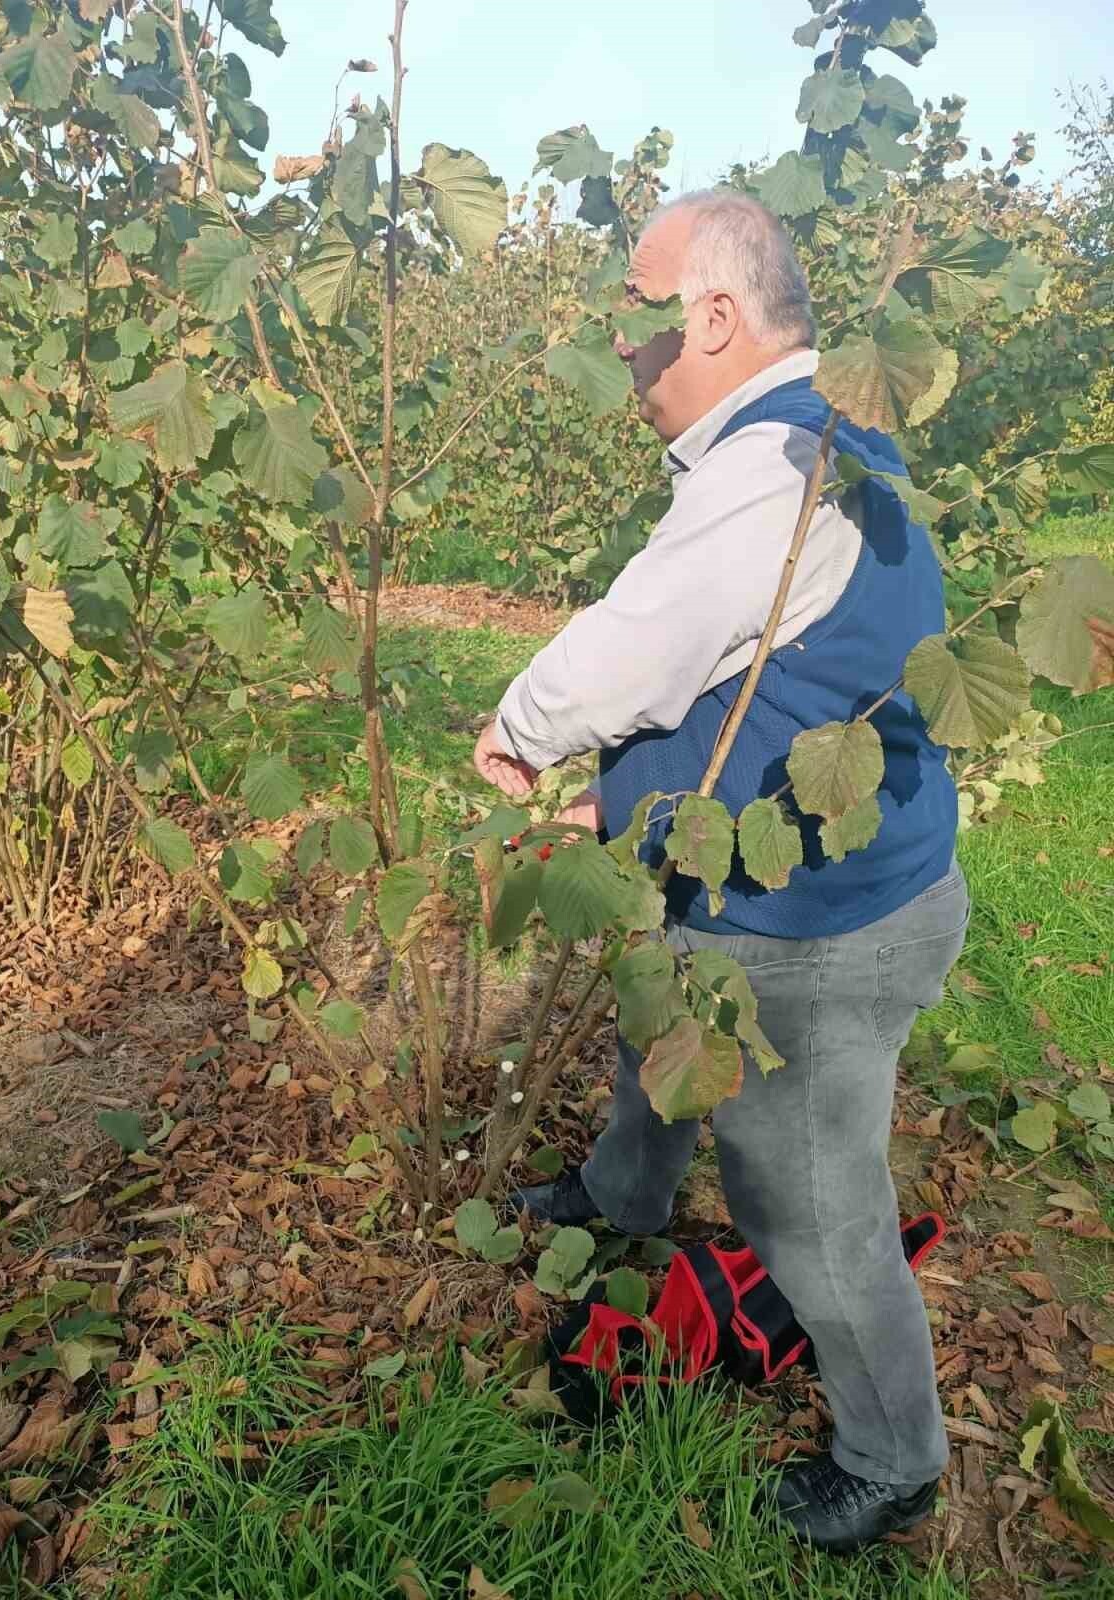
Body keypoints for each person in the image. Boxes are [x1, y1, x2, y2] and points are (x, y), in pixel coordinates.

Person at [471, 190, 970, 1555]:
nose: (618, 338)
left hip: (819, 931)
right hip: (768, 887)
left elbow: (637, 651)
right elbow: (752, 678)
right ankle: (625, 1194)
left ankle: (892, 1459)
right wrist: (629, 799)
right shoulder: (821, 439)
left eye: (635, 309)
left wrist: (521, 733)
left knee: (809, 1202)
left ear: (712, 317)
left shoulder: (774, 469)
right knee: (663, 1023)